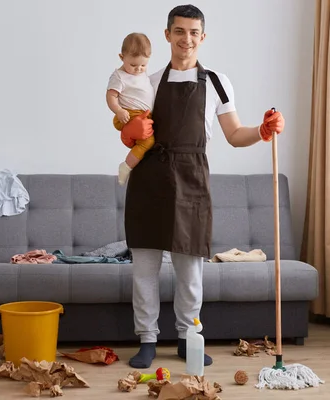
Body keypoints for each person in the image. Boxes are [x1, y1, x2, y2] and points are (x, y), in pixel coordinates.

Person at [121, 4, 286, 369]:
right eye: (179, 31)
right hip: (149, 178)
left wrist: (261, 131)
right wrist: (128, 132)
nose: (186, 39)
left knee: (190, 269)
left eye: (194, 32)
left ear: (203, 37)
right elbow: (131, 130)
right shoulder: (147, 81)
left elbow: (233, 134)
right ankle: (147, 340)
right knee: (144, 268)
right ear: (167, 35)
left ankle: (187, 337)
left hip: (192, 178)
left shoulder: (215, 81)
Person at [106, 32, 156, 185]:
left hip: (145, 115)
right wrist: (119, 111)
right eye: (133, 65)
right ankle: (126, 166)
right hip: (130, 113)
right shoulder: (119, 76)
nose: (139, 69)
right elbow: (111, 96)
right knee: (148, 142)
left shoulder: (141, 72)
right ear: (122, 57)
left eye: (143, 65)